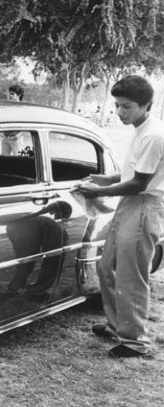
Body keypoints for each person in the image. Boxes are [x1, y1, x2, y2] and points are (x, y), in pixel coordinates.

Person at [76, 75, 164, 358]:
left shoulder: (152, 135)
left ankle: (135, 340)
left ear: (145, 105)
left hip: (143, 205)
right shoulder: (141, 129)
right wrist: (105, 179)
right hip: (130, 203)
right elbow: (131, 173)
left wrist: (100, 191)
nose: (120, 112)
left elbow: (139, 183)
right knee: (106, 266)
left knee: (131, 274)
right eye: (117, 106)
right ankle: (117, 325)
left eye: (126, 107)